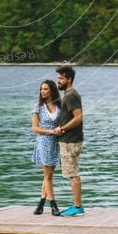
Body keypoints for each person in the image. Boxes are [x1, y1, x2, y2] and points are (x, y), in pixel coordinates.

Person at [54, 65, 84, 216]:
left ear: (69, 79)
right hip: (69, 140)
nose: (58, 81)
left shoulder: (71, 95)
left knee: (73, 173)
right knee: (72, 172)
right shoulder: (69, 94)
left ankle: (78, 207)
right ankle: (76, 205)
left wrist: (63, 129)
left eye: (61, 78)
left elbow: (78, 117)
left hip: (70, 140)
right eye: (58, 78)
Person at [32, 79, 62, 216]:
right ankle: (53, 205)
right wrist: (51, 131)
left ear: (52, 90)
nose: (42, 91)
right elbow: (35, 128)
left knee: (48, 175)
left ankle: (40, 205)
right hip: (44, 142)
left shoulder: (59, 105)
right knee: (48, 176)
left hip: (55, 143)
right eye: (41, 89)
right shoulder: (38, 106)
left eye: (45, 89)